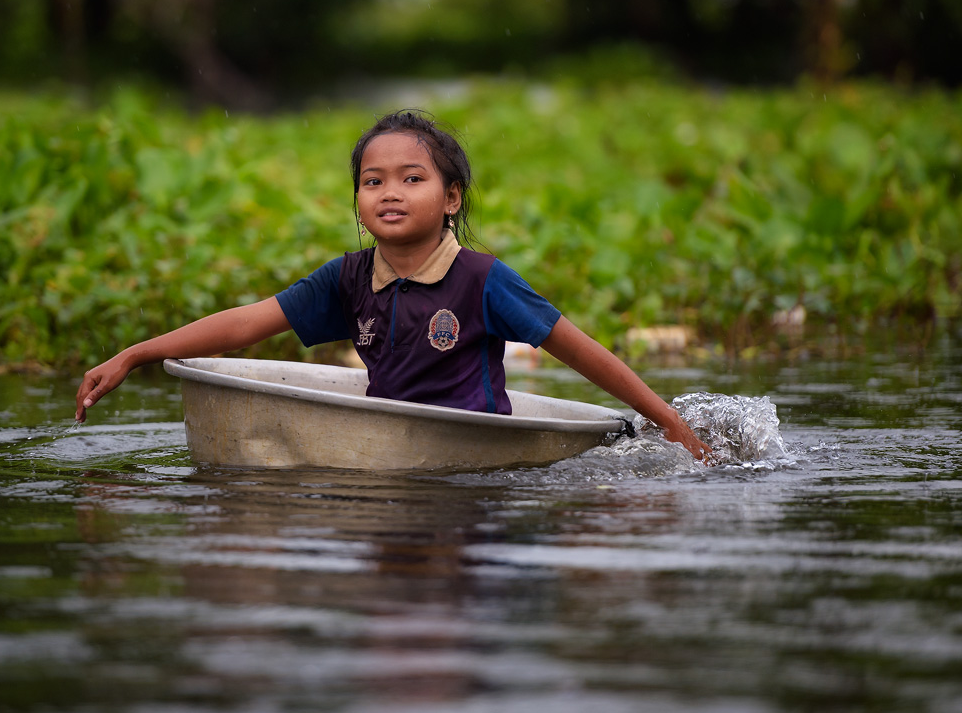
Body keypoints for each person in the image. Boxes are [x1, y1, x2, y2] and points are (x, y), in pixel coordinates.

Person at [75, 110, 712, 461]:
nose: (389, 193)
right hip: (389, 458)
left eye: (412, 179)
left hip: (478, 469)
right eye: (373, 181)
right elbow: (246, 322)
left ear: (452, 198)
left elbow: (585, 354)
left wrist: (673, 427)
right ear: (357, 201)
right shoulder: (348, 278)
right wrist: (138, 352)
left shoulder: (484, 280)